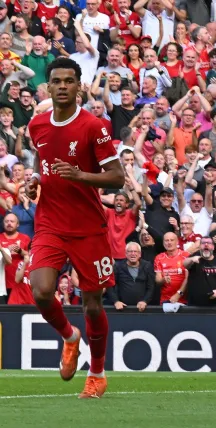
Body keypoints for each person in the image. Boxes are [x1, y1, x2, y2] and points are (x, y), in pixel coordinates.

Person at [26, 57, 124, 398]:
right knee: (39, 290)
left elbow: (117, 177)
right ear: (49, 86)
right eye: (58, 81)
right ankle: (70, 338)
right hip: (50, 222)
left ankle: (96, 373)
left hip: (88, 227)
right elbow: (43, 160)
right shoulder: (37, 125)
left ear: (80, 86)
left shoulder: (94, 126)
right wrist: (37, 179)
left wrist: (81, 175)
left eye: (70, 80)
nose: (64, 86)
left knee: (93, 306)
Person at [182, 236, 216, 306]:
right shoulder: (195, 256)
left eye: (209, 243)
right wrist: (191, 259)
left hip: (215, 303)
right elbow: (185, 264)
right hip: (195, 304)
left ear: (213, 247)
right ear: (200, 247)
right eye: (203, 243)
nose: (206, 245)